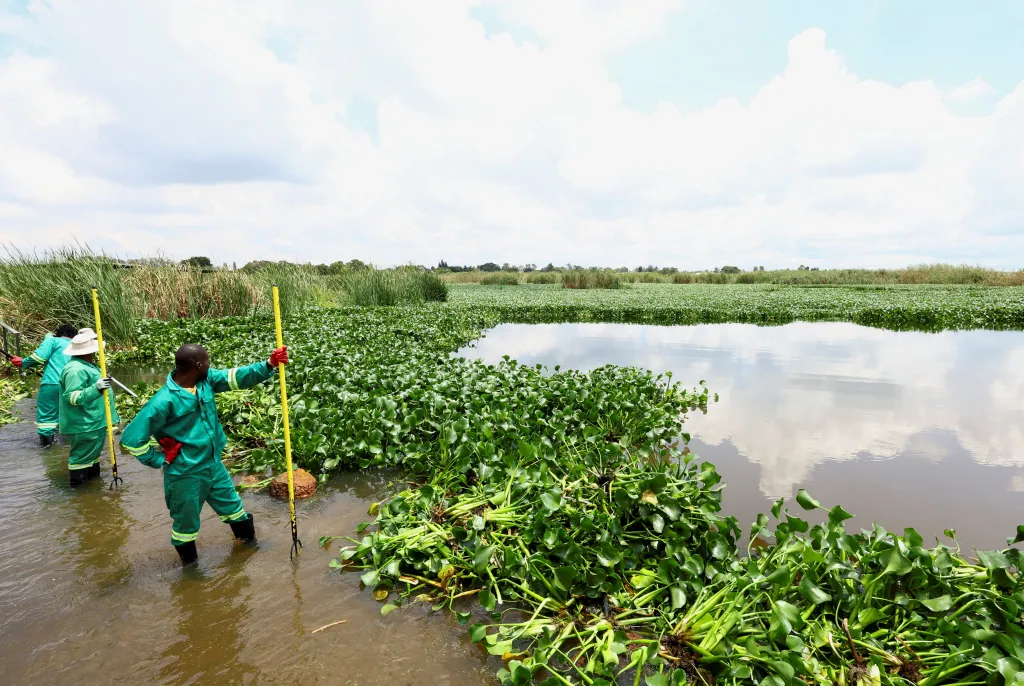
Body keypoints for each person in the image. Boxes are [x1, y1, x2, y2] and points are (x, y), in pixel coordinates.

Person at [120, 343, 289, 566]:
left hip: (213, 465)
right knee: (185, 528)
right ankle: (191, 574)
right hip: (185, 474)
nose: (210, 364)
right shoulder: (163, 401)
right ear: (198, 365)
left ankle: (249, 555)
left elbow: (236, 377)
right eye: (208, 361)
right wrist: (159, 459)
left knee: (235, 510)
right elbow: (131, 439)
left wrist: (269, 364)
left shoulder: (205, 381)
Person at [59, 328, 119, 485]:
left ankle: (93, 492)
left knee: (92, 458)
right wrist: (96, 388)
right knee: (80, 459)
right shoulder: (75, 369)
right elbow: (72, 397)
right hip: (84, 424)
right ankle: (79, 492)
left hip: (94, 422)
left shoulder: (87, 365)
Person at [8, 324, 77, 446]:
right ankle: (70, 447)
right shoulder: (78, 346)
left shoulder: (53, 341)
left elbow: (39, 357)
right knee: (70, 416)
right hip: (74, 385)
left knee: (47, 418)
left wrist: (23, 362)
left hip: (52, 383)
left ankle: (47, 449)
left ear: (59, 334)